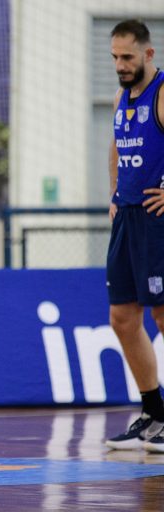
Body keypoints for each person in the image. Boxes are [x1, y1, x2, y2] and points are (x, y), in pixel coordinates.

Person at [103, 19, 164, 454]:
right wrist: (113, 194)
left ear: (148, 53)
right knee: (122, 318)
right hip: (127, 216)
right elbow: (116, 145)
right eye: (115, 57)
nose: (121, 65)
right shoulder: (120, 97)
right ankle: (154, 411)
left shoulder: (162, 93)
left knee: (162, 315)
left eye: (127, 56)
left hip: (156, 218)